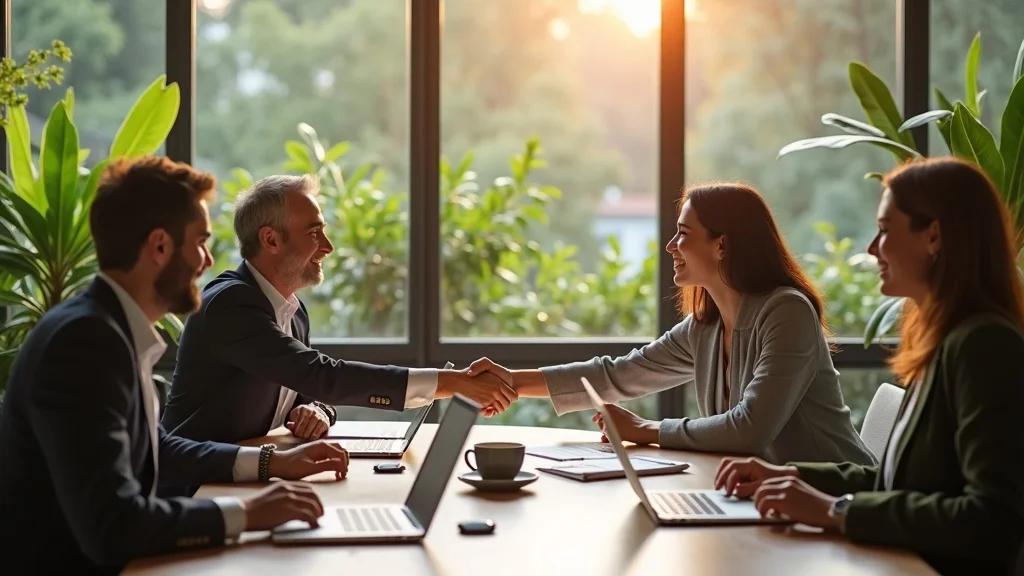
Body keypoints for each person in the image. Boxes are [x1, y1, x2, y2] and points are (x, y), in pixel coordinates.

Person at [0, 156, 352, 574]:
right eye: (200, 242)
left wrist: (271, 462)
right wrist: (247, 514)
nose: (206, 261)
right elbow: (113, 524)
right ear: (160, 247)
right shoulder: (84, 342)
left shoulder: (104, 326)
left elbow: (155, 447)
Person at [714, 158, 1024, 575]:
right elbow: (894, 483)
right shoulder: (945, 340)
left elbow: (992, 521)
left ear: (933, 236)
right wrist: (784, 473)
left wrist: (836, 510)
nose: (871, 247)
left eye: (884, 230)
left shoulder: (984, 345)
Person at [467, 183, 875, 466]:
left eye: (683, 234)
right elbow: (618, 375)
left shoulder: (787, 312)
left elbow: (750, 429)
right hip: (765, 498)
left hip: (834, 499)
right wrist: (512, 382)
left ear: (722, 244)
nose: (670, 247)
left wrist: (646, 429)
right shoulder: (706, 327)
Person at [162, 174, 515, 446]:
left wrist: (316, 410)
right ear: (270, 239)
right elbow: (321, 376)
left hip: (250, 476)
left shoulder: (291, 311)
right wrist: (452, 383)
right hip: (196, 489)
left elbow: (308, 389)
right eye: (314, 233)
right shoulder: (230, 305)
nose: (328, 247)